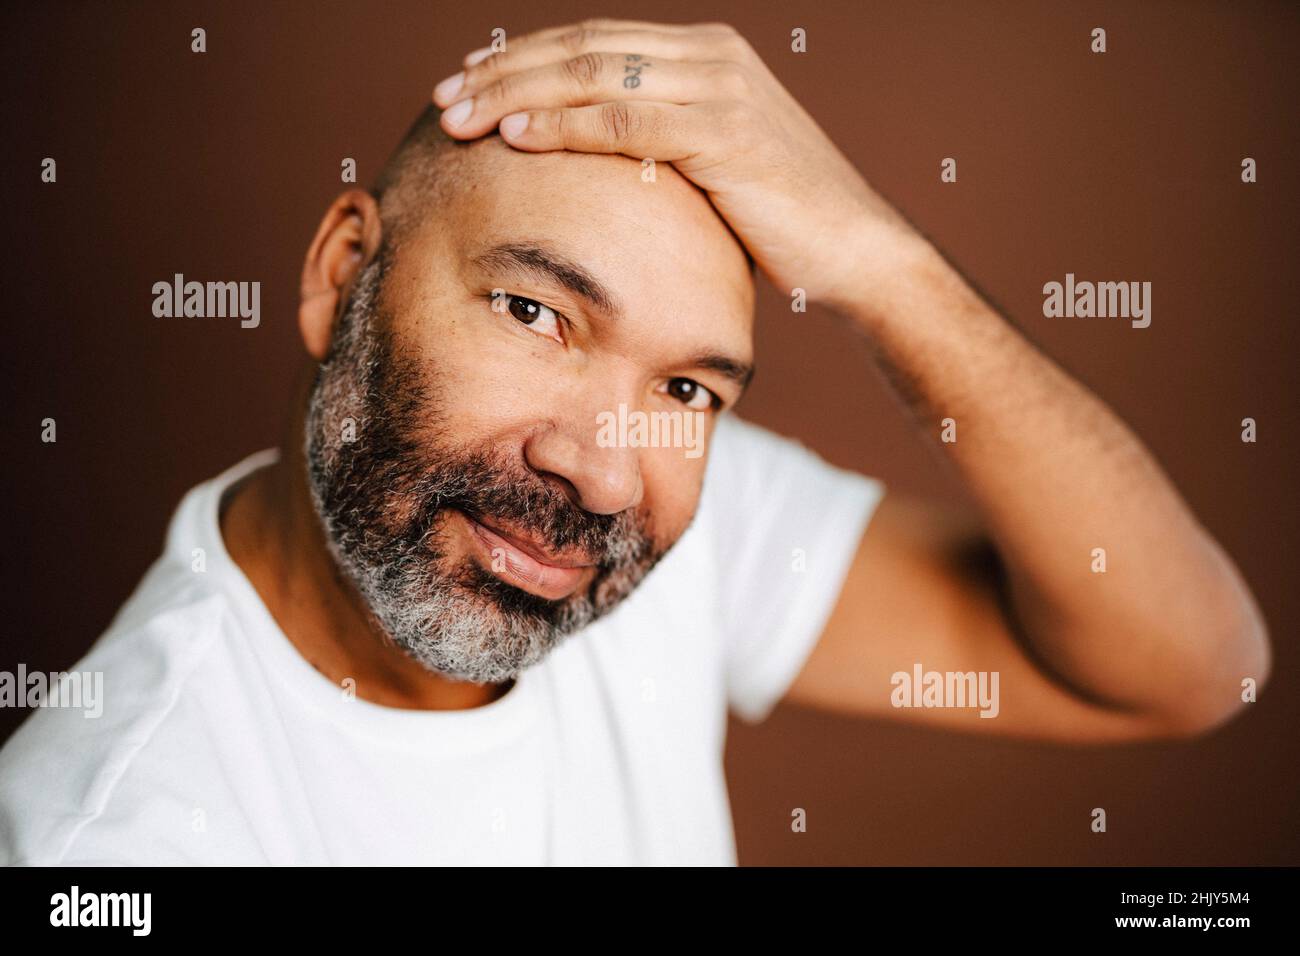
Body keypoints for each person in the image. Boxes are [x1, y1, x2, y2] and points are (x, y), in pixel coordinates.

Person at [0, 19, 1269, 865]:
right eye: (533, 311)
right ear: (342, 275)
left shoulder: (616, 526)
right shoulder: (126, 841)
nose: (603, 471)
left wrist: (884, 266)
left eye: (689, 389)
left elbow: (1185, 663)